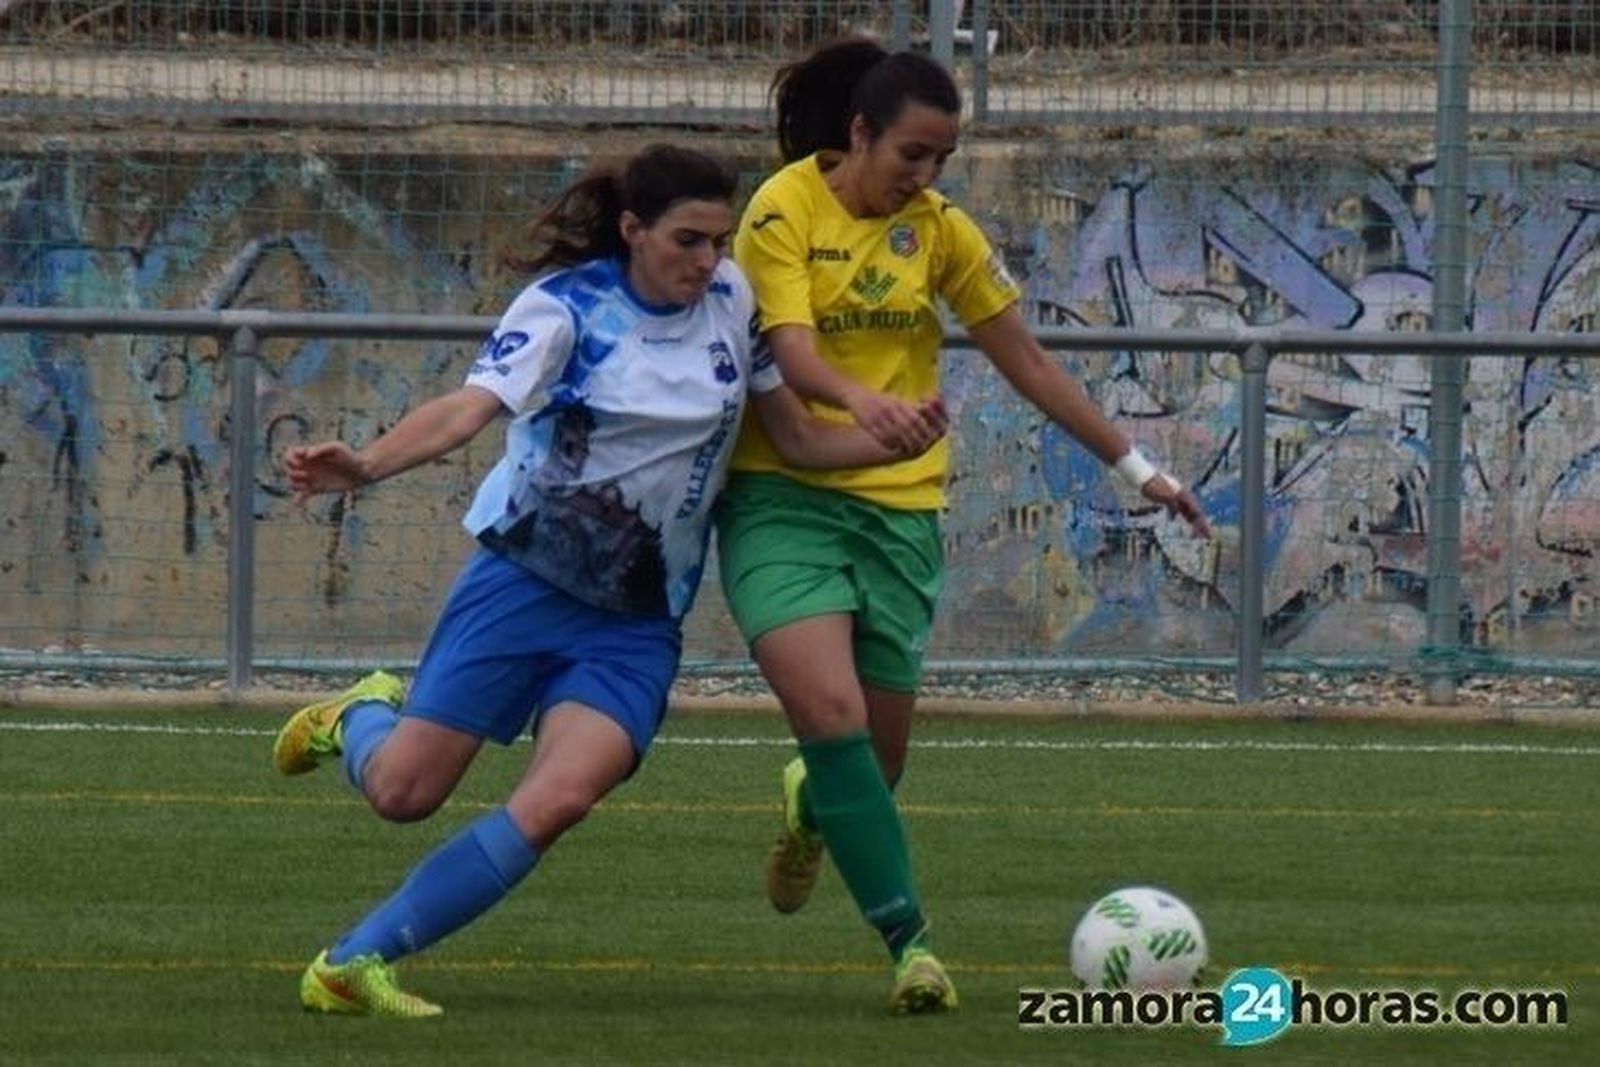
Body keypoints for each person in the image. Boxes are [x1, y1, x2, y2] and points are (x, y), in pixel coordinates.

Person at [271, 143, 946, 1019]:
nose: (708, 262)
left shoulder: (736, 302)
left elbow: (800, 441)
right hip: (523, 585)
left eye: (720, 241)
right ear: (632, 230)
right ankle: (357, 715)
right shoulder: (566, 309)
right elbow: (468, 408)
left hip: (635, 621)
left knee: (560, 798)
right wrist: (366, 462)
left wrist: (891, 439)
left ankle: (352, 962)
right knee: (404, 792)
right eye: (687, 241)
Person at [717, 37, 1213, 1015]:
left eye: (941, 160)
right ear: (859, 134)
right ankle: (912, 946)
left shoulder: (938, 229)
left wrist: (1138, 466)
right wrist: (866, 405)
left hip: (900, 512)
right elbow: (792, 349)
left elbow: (1028, 361)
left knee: (875, 760)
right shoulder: (783, 208)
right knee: (832, 717)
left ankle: (811, 807)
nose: (926, 176)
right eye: (911, 154)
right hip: (783, 497)